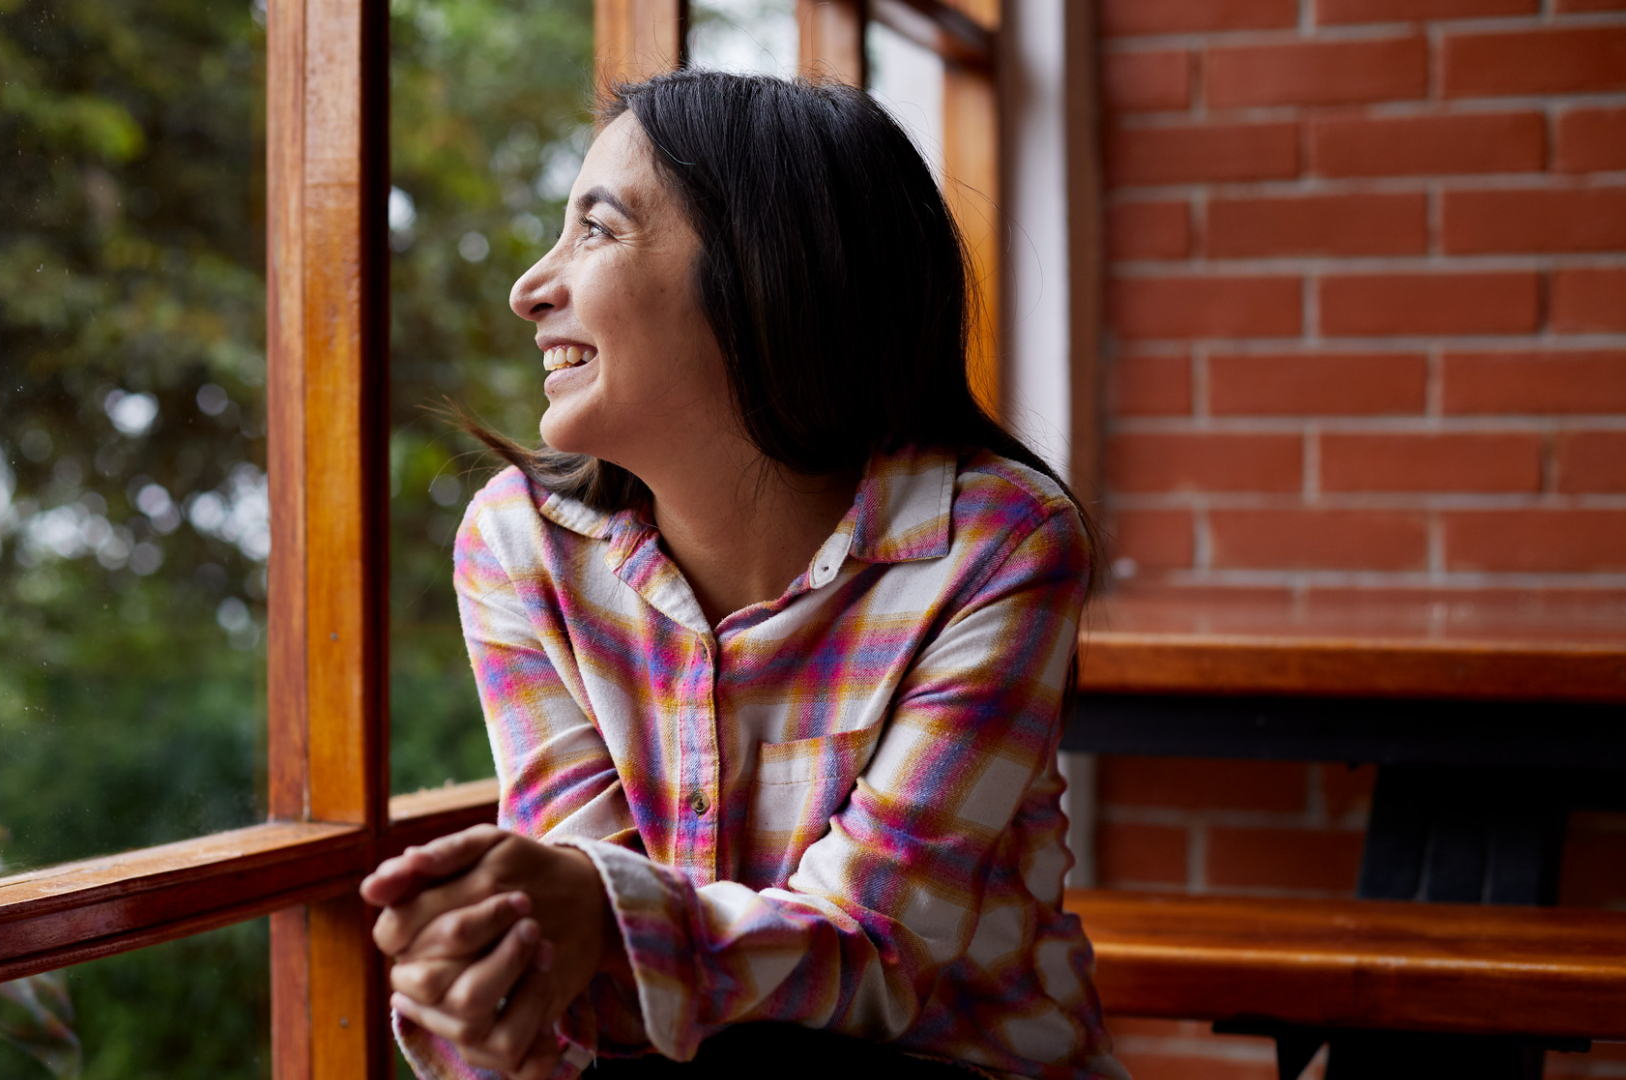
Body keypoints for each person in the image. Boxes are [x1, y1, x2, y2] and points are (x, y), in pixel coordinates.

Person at [360, 70, 1126, 1080]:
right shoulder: (521, 544)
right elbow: (575, 936)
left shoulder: (996, 541)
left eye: (594, 231)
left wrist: (601, 923)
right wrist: (492, 979)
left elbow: (878, 948)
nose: (530, 288)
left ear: (771, 269)